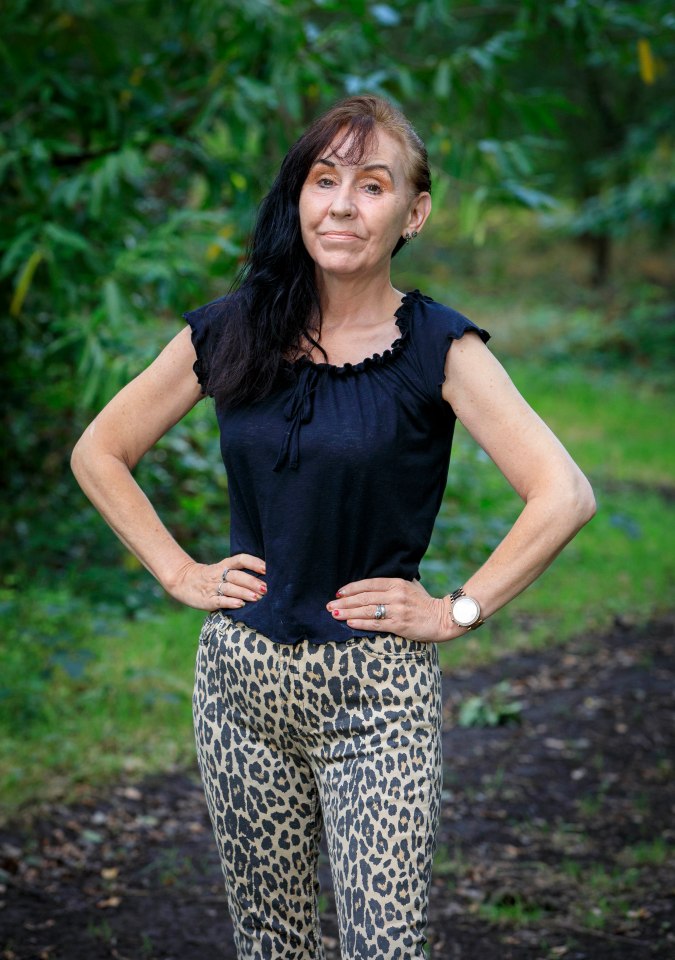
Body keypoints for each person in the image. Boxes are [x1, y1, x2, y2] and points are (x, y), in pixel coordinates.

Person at [70, 94, 596, 959]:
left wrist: (453, 611)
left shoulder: (437, 346)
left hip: (378, 696)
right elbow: (101, 450)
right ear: (300, 196)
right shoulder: (233, 327)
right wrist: (176, 571)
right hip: (240, 690)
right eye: (324, 180)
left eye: (372, 185)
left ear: (412, 213)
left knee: (384, 947)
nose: (342, 205)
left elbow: (563, 493)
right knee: (271, 942)